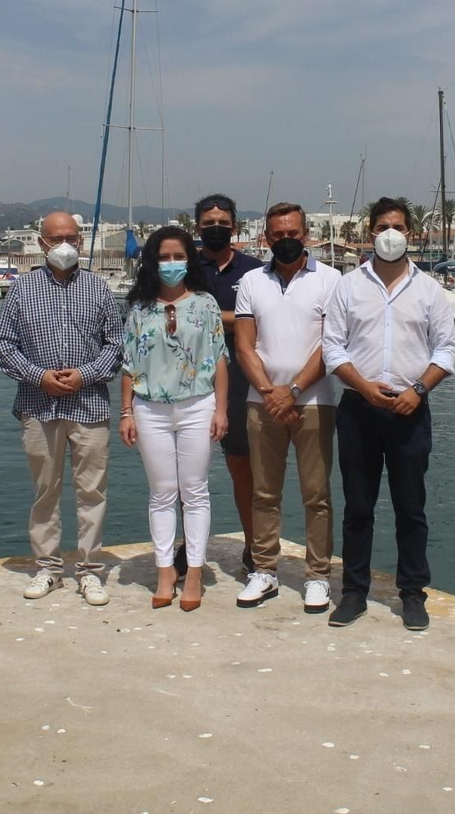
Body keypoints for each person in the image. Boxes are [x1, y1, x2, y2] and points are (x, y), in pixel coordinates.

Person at [321, 197, 455, 631]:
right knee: (357, 508)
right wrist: (362, 387)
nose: (391, 233)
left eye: (398, 226)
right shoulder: (348, 286)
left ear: (411, 233)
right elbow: (332, 347)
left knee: (410, 507)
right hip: (358, 410)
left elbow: (447, 350)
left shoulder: (430, 290)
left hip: (410, 410)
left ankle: (413, 594)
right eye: (383, 226)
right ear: (371, 232)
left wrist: (418, 390)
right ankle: (354, 593)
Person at [0, 211, 123, 606]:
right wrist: (38, 376)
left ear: (81, 242)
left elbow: (116, 345)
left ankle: (89, 570)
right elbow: (2, 343)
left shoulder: (99, 289)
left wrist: (86, 374)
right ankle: (47, 568)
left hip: (90, 403)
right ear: (41, 242)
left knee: (92, 492)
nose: (64, 244)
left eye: (71, 237)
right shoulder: (22, 290)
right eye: (55, 237)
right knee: (45, 490)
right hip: (38, 404)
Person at [232, 203, 341, 612]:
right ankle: (264, 571)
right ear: (266, 238)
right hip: (262, 404)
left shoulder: (331, 280)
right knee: (264, 492)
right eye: (276, 234)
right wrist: (269, 390)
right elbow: (244, 344)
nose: (285, 239)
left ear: (307, 233)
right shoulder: (251, 281)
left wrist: (292, 390)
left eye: (292, 231)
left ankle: (317, 576)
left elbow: (331, 345)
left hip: (315, 402)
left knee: (317, 495)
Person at [118, 227, 228, 611]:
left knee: (195, 491)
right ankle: (165, 570)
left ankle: (194, 572)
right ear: (152, 261)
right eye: (163, 257)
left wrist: (221, 409)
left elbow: (219, 361)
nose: (171, 264)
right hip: (150, 409)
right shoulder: (139, 309)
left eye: (177, 256)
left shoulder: (206, 304)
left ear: (189, 260)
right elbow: (128, 366)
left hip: (198, 404)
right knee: (162, 492)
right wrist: (126, 412)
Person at [191, 193, 263, 576]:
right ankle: (189, 550)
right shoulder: (183, 267)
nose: (215, 228)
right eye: (208, 223)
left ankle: (254, 549)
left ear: (234, 227)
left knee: (242, 471)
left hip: (239, 382)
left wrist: (206, 314)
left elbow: (263, 320)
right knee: (188, 474)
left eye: (222, 223)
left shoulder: (254, 271)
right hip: (190, 384)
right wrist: (237, 319)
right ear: (197, 227)